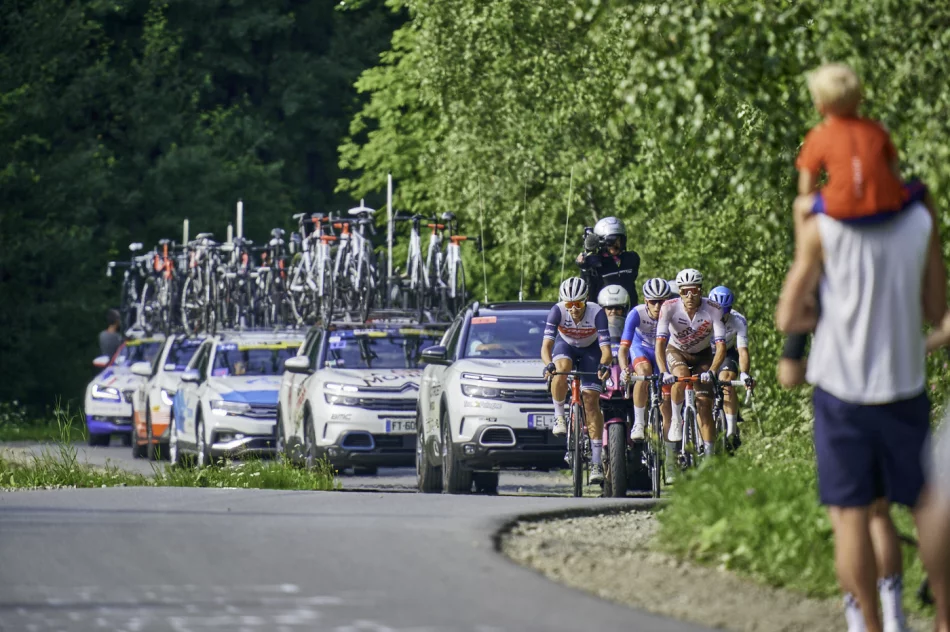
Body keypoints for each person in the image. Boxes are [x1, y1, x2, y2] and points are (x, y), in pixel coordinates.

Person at [776, 189, 947, 632]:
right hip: (903, 390)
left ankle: (865, 623)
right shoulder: (914, 223)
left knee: (851, 516)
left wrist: (802, 230)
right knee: (913, 507)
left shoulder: (823, 231)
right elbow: (937, 311)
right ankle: (915, 617)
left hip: (842, 395)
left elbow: (789, 328)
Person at [793, 62, 915, 236]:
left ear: (821, 107)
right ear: (859, 99)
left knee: (800, 206)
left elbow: (805, 189)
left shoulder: (818, 136)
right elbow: (896, 176)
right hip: (885, 208)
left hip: (842, 210)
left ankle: (804, 251)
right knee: (923, 191)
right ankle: (935, 253)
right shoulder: (877, 130)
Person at [542, 277, 613, 485]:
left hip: (591, 350)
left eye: (578, 304)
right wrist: (548, 365)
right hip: (566, 346)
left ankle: (596, 462)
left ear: (586, 300)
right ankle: (559, 416)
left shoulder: (597, 313)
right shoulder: (557, 311)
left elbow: (606, 351)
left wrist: (604, 365)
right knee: (561, 369)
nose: (573, 309)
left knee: (591, 401)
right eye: (569, 304)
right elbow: (546, 347)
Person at [655, 268, 727, 460]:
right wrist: (663, 371)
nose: (689, 295)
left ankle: (709, 459)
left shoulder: (714, 308)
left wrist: (712, 370)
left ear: (700, 290)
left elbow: (721, 346)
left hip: (703, 355)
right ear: (679, 292)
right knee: (681, 375)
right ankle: (676, 418)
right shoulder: (668, 307)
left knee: (704, 405)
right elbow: (660, 343)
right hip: (677, 350)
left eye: (693, 290)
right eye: (684, 291)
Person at [619, 278, 672, 444]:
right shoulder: (636, 313)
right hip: (641, 348)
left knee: (667, 401)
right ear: (645, 301)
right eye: (653, 302)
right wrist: (624, 369)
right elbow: (623, 349)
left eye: (662, 302)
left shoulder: (674, 313)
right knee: (643, 373)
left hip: (663, 352)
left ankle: (669, 450)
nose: (657, 306)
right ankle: (639, 423)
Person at [707, 286, 754, 450]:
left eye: (725, 311)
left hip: (727, 352)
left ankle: (732, 431)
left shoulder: (738, 320)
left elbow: (742, 351)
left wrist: (744, 373)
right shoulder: (701, 317)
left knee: (726, 381)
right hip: (706, 353)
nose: (721, 315)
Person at [577, 217, 641, 306]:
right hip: (605, 310)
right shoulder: (595, 264)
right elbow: (589, 291)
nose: (616, 245)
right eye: (611, 242)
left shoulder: (631, 258)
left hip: (629, 308)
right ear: (601, 242)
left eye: (619, 241)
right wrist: (585, 269)